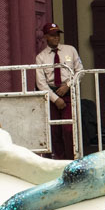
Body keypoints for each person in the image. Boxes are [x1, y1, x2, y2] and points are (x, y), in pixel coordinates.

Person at [35, 21, 83, 159]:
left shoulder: (70, 50)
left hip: (68, 93)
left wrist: (68, 85)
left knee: (69, 129)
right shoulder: (41, 57)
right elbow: (41, 83)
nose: (56, 37)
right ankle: (59, 160)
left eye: (57, 34)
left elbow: (80, 71)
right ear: (45, 37)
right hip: (52, 95)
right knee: (54, 131)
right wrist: (55, 99)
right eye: (52, 35)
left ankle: (72, 158)